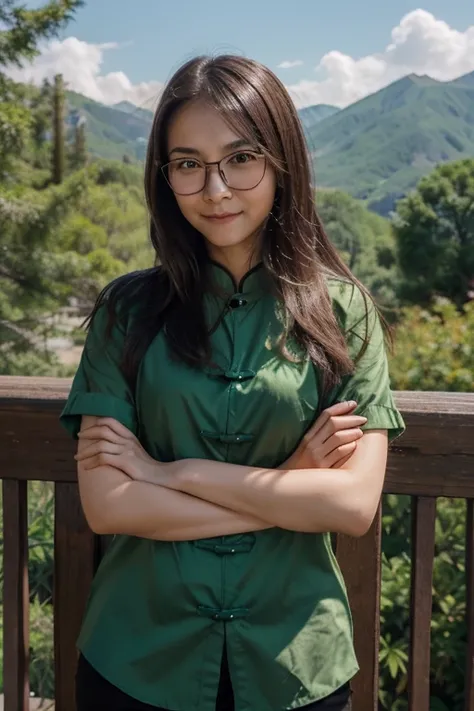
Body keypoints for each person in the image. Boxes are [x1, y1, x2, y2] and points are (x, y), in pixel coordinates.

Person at [60, 54, 406, 711]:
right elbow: (109, 505)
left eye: (240, 158)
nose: (215, 188)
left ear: (281, 160)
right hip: (139, 656)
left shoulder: (344, 311)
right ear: (165, 178)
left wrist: (170, 473)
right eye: (188, 163)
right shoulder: (125, 312)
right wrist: (292, 478)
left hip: (295, 658)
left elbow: (353, 506)